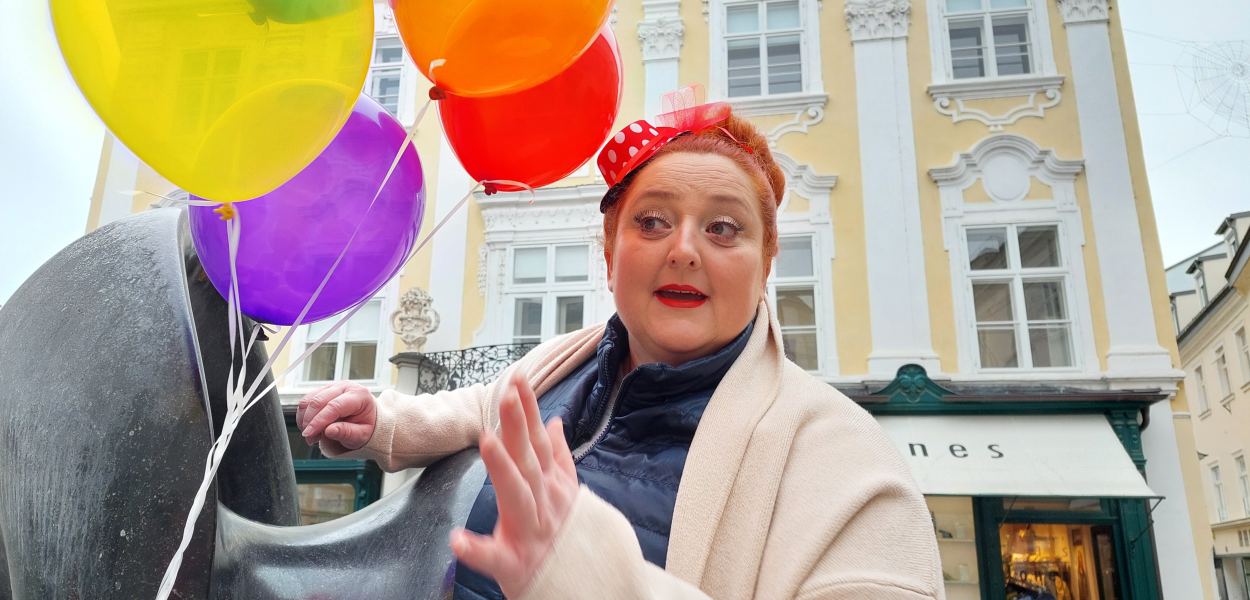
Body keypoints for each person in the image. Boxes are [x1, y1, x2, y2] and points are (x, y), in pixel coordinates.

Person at [297, 88, 943, 600]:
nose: (684, 250)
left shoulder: (847, 465)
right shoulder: (560, 365)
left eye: (723, 228)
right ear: (610, 255)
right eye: (652, 221)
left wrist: (592, 577)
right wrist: (382, 421)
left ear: (765, 263)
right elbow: (478, 411)